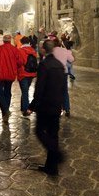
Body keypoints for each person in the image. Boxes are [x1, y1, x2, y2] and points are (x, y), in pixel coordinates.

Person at [30, 40, 67, 176]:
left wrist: (33, 105)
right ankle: (51, 168)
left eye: (40, 48)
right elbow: (63, 87)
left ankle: (57, 155)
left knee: (40, 131)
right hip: (56, 104)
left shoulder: (44, 65)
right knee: (53, 134)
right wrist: (63, 103)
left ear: (44, 50)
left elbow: (40, 88)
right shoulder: (59, 65)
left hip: (45, 104)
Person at [0, 34, 24, 121]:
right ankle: (5, 113)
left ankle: (5, 111)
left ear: (3, 41)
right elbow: (20, 62)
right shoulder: (14, 50)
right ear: (10, 41)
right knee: (7, 92)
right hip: (10, 74)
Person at [52, 39, 75, 117]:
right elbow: (72, 59)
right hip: (63, 72)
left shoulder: (52, 51)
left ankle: (58, 109)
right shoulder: (64, 50)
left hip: (54, 73)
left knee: (55, 92)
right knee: (64, 91)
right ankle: (67, 109)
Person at [17, 36, 38, 116]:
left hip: (23, 73)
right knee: (25, 90)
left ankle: (26, 109)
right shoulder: (33, 50)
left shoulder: (20, 51)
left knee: (25, 91)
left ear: (21, 42)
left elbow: (19, 62)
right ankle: (23, 107)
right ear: (29, 42)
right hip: (31, 73)